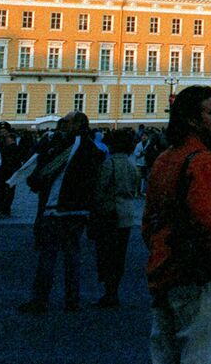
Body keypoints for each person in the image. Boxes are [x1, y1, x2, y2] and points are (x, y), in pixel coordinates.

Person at [143, 85, 211, 364]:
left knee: (164, 353)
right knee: (199, 353)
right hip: (194, 272)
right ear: (193, 120)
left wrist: (159, 249)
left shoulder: (164, 158)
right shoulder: (202, 161)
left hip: (162, 266)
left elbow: (148, 221)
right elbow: (208, 222)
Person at [19, 112, 104, 313]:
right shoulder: (91, 147)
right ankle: (72, 300)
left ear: (77, 125)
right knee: (72, 256)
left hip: (58, 209)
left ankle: (40, 301)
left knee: (48, 255)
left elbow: (47, 169)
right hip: (79, 211)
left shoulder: (70, 147)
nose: (61, 125)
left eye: (66, 122)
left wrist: (35, 180)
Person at [90, 128, 140, 308]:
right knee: (119, 255)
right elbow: (135, 187)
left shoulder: (109, 164)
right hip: (127, 214)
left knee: (106, 253)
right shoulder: (131, 164)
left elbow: (100, 189)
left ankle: (108, 292)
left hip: (110, 214)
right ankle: (114, 291)